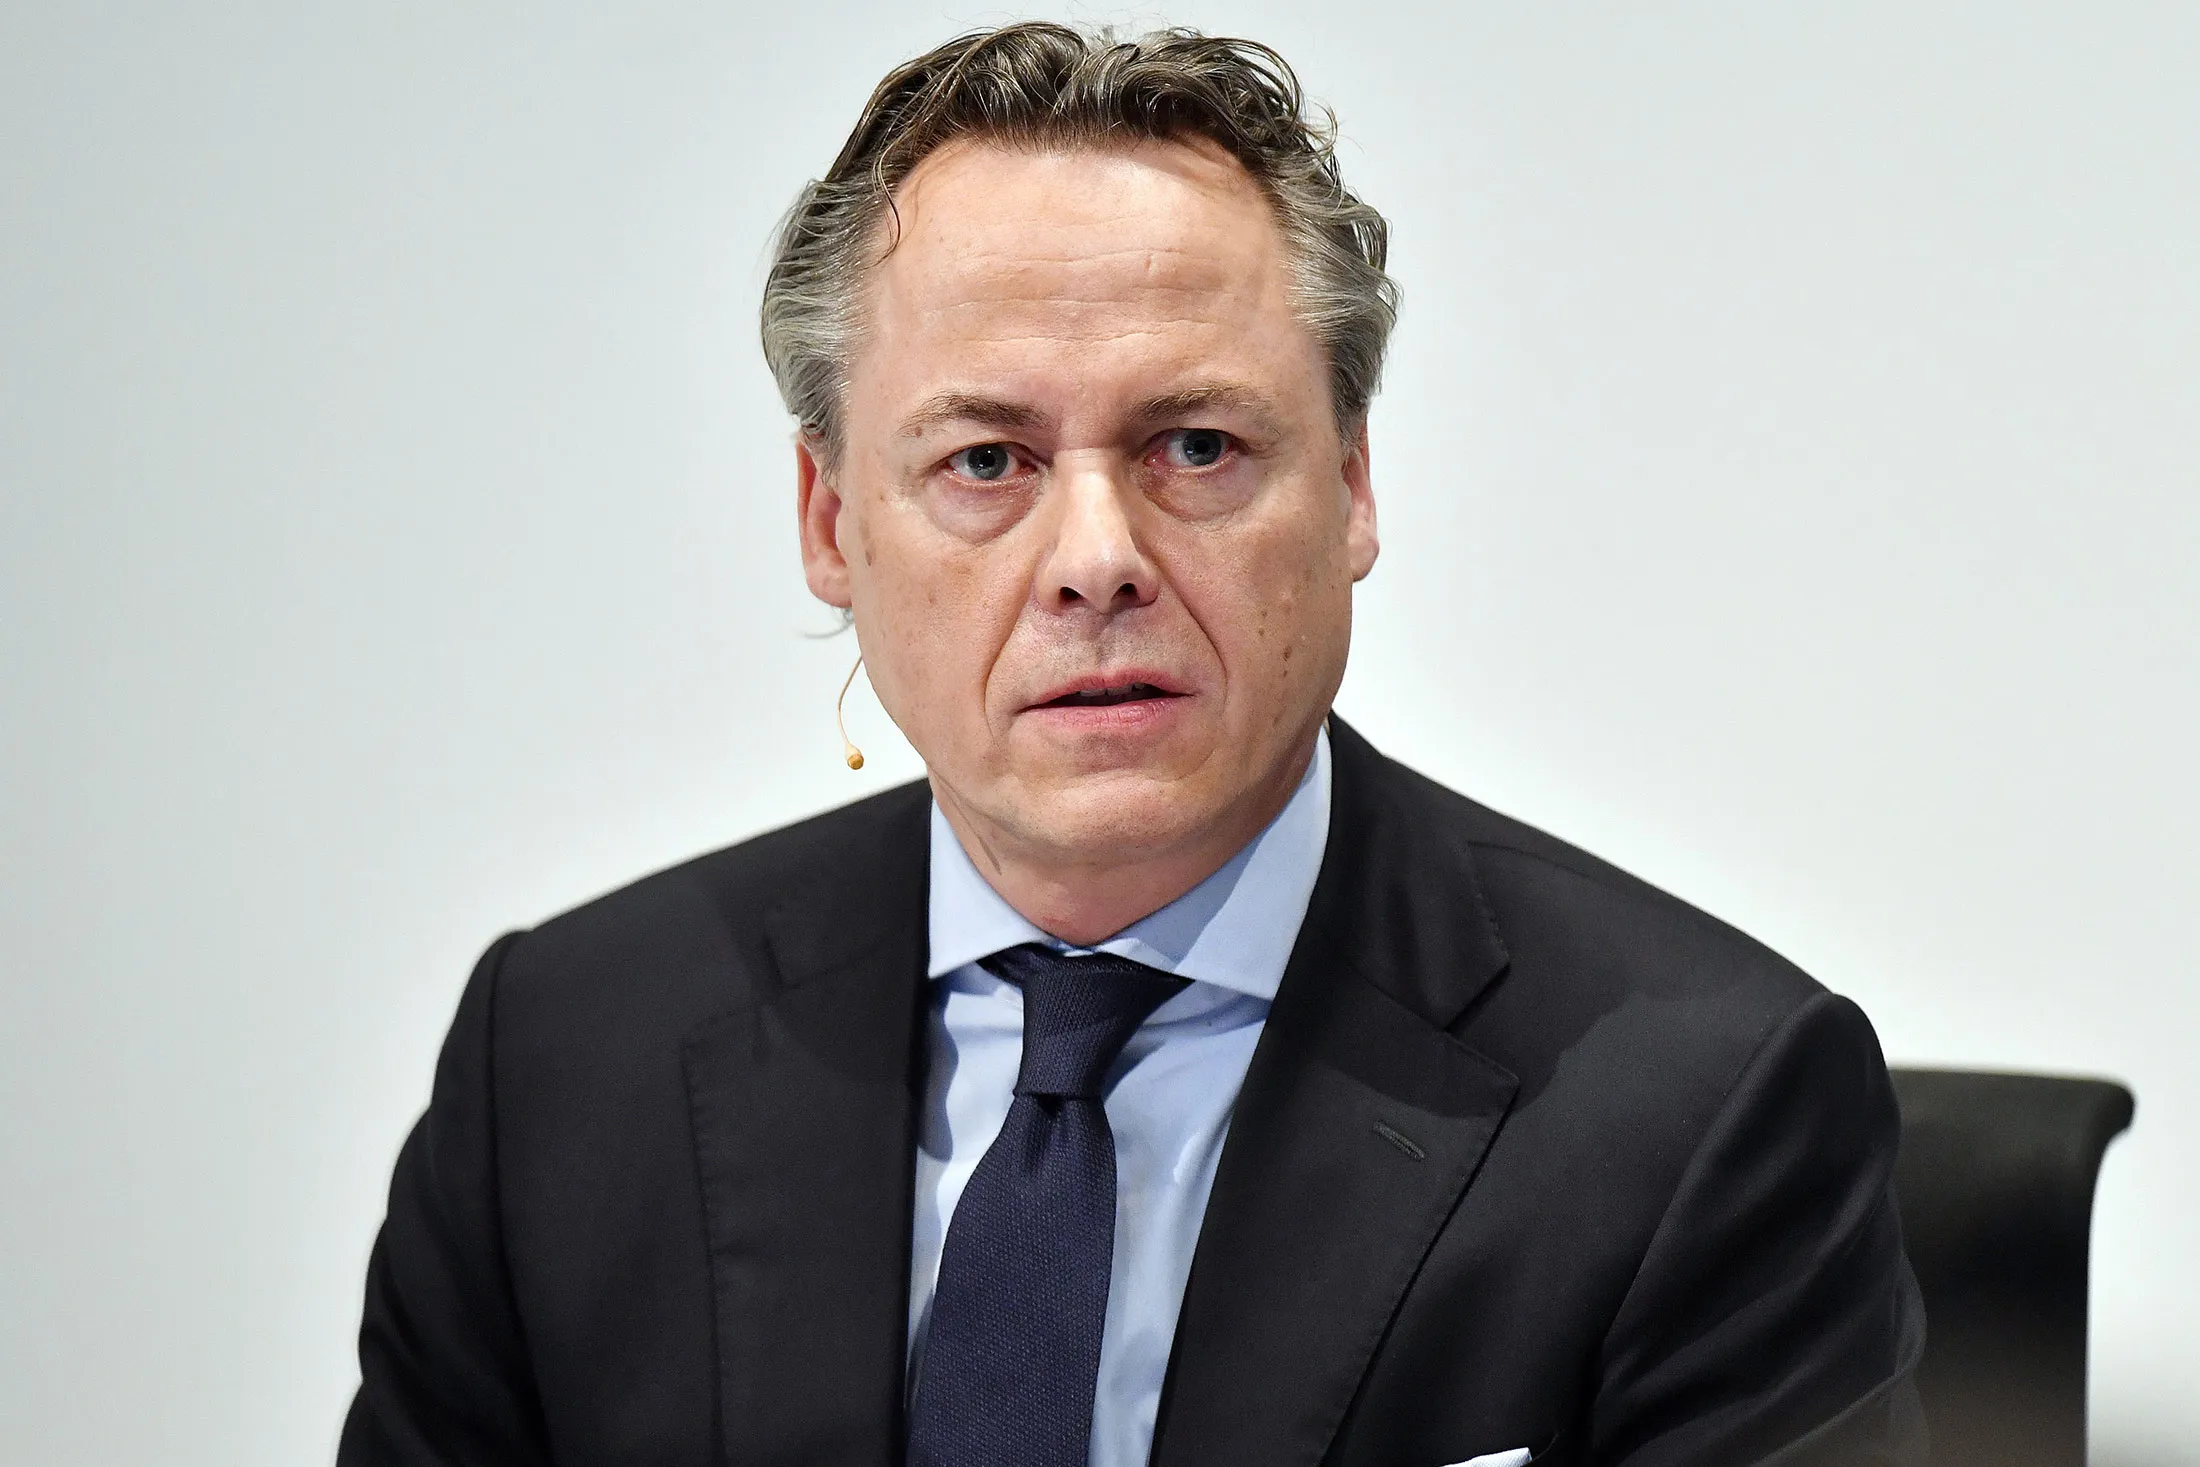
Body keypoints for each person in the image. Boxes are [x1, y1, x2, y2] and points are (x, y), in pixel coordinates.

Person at [339, 23, 1925, 1467]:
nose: (1096, 559)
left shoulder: (1702, 1110)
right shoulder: (561, 1062)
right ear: (830, 523)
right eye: (986, 459)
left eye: (1197, 446)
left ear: (1353, 488)